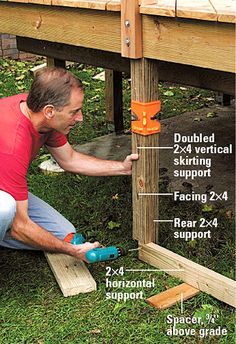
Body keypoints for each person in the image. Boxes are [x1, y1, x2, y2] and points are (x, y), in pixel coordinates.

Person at [0, 67, 138, 262]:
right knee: (5, 209)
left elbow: (69, 159)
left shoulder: (43, 115)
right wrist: (71, 252)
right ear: (49, 111)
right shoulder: (12, 144)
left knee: (66, 234)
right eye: (74, 112)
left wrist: (122, 168)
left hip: (2, 183)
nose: (80, 118)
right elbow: (21, 225)